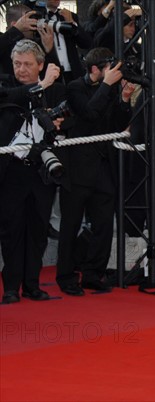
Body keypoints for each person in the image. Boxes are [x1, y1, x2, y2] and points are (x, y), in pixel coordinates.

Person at [56, 47, 134, 296]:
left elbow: (117, 125)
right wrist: (107, 87)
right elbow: (89, 114)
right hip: (77, 167)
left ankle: (93, 274)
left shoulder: (110, 89)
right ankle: (66, 277)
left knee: (103, 224)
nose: (113, 73)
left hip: (103, 166)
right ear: (94, 69)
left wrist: (123, 99)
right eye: (108, 68)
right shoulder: (74, 88)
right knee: (71, 225)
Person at [0, 40, 64, 303]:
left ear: (40, 65)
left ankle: (33, 285)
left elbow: (74, 117)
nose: (21, 69)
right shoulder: (6, 87)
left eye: (27, 64)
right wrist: (41, 85)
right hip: (11, 172)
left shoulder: (55, 91)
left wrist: (59, 121)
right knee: (11, 230)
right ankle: (12, 288)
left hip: (41, 172)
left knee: (38, 229)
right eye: (17, 63)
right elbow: (11, 99)